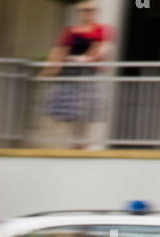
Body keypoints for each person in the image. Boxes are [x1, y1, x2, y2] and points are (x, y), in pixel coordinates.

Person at [40, 2, 113, 148]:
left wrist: (84, 59)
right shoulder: (71, 32)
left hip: (88, 76)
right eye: (83, 11)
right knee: (72, 113)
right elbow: (59, 51)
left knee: (87, 113)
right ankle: (75, 145)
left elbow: (101, 49)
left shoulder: (101, 30)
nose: (86, 14)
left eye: (90, 11)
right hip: (71, 76)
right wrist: (50, 70)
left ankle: (83, 145)